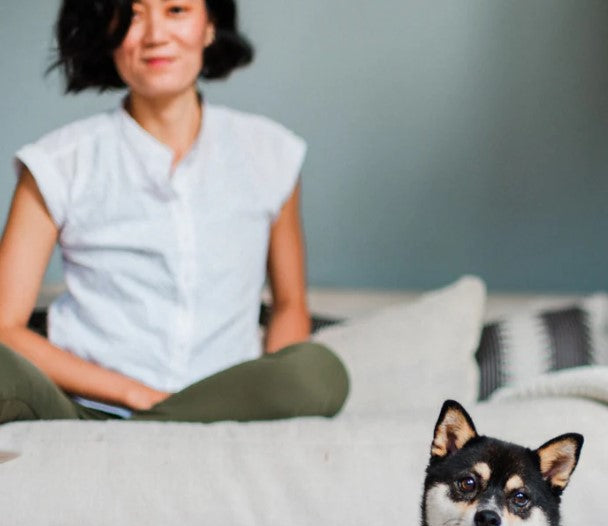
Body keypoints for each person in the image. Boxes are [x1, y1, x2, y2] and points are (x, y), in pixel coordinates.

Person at [0, 0, 348, 424]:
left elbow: (290, 304)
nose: (154, 35)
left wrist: (274, 383)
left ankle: (166, 426)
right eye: (132, 14)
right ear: (106, 32)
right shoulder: (56, 162)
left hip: (231, 404)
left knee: (320, 372)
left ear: (209, 26)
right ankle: (168, 424)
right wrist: (138, 395)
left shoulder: (270, 152)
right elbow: (5, 329)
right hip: (85, 409)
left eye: (177, 10)